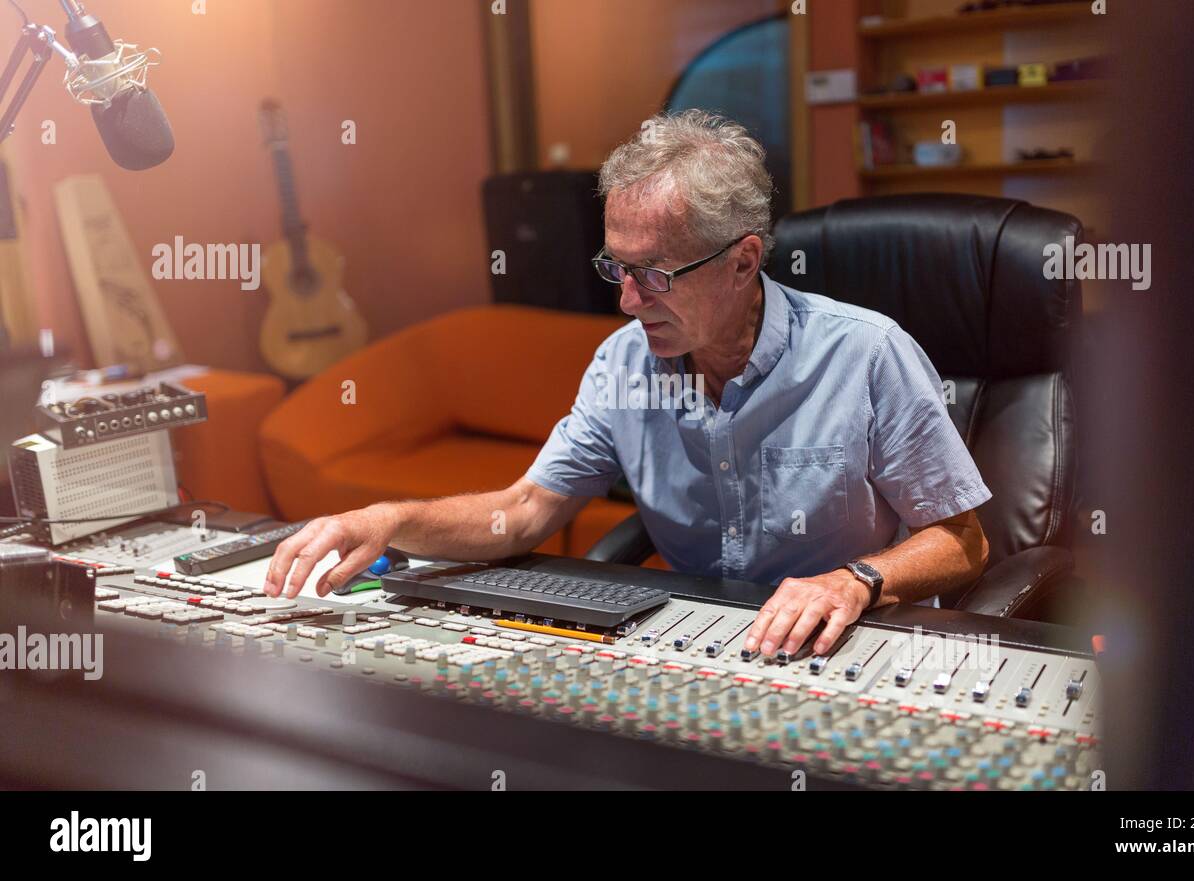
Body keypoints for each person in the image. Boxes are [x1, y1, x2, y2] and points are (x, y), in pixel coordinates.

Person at [263, 110, 990, 660]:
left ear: (743, 261)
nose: (627, 300)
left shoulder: (866, 354)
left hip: (849, 644)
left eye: (655, 275)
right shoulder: (623, 364)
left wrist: (856, 578)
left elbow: (962, 541)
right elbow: (521, 513)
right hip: (696, 646)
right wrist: (388, 520)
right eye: (617, 267)